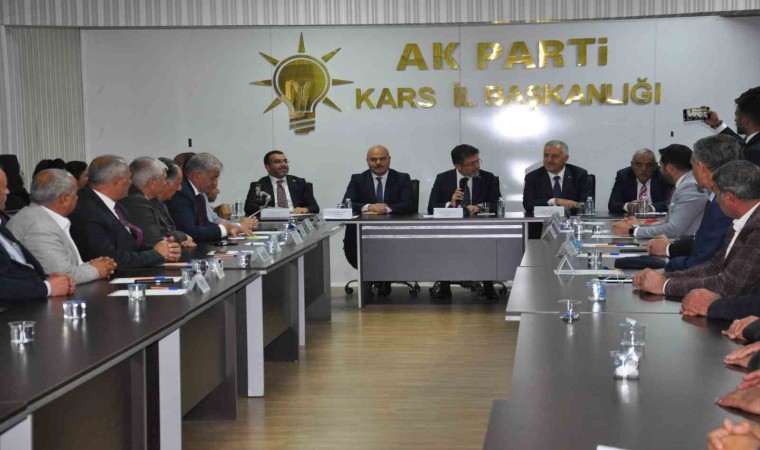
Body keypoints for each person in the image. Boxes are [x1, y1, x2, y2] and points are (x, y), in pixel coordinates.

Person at [633, 161, 760, 299]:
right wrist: (666, 277)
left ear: (729, 197)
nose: (717, 201)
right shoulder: (743, 221)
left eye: (717, 195)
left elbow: (728, 287)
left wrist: (665, 285)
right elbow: (715, 267)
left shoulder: (756, 230)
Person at [646, 135, 740, 271]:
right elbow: (703, 241)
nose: (691, 172)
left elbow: (703, 263)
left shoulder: (722, 206)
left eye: (692, 166)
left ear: (701, 167)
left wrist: (665, 270)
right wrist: (672, 245)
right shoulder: (721, 198)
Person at [69, 155, 181, 268]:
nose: (131, 183)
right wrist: (155, 255)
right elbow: (109, 259)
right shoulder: (87, 211)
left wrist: (164, 249)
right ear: (117, 182)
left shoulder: (114, 205)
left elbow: (131, 247)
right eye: (129, 178)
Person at [8, 168, 116, 284]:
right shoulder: (39, 226)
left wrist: (94, 265)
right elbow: (62, 275)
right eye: (75, 194)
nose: (77, 198)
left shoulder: (39, 216)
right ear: (65, 198)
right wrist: (96, 269)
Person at [427, 144, 502, 301]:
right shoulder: (443, 178)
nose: (477, 166)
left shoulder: (488, 178)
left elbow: (497, 204)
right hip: (450, 231)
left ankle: (488, 286)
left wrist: (479, 207)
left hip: (480, 230)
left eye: (478, 161)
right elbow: (431, 207)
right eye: (471, 163)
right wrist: (451, 204)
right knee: (443, 245)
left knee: (486, 246)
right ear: (458, 166)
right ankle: (444, 287)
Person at [341, 145, 414, 298]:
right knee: (354, 243)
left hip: (394, 232)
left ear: (389, 160)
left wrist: (386, 209)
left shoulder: (402, 178)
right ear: (367, 161)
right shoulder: (358, 179)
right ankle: (372, 276)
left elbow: (409, 204)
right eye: (373, 159)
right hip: (364, 233)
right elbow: (347, 203)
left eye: (382, 159)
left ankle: (383, 278)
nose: (378, 163)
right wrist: (369, 206)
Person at [0, 166, 74, 302]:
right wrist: (47, 287)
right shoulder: (36, 222)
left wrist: (46, 280)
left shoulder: (2, 222)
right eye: (3, 187)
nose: (8, 191)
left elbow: (20, 267)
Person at [612, 144, 707, 239]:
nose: (660, 170)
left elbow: (673, 230)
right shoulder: (685, 184)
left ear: (670, 168)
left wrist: (631, 231)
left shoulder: (690, 186)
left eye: (661, 166)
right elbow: (666, 222)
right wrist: (635, 226)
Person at [167, 153, 249, 242]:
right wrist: (223, 230)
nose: (215, 184)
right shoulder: (181, 193)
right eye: (213, 178)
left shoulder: (199, 194)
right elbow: (190, 232)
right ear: (197, 175)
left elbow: (204, 225)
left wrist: (230, 228)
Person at [119, 157, 194, 248]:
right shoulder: (136, 203)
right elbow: (154, 242)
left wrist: (176, 241)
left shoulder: (153, 201)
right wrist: (181, 236)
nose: (165, 183)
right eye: (164, 179)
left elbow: (165, 232)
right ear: (153, 182)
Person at [522, 140, 589, 213]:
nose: (549, 160)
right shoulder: (533, 177)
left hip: (571, 219)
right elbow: (528, 205)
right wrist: (555, 201)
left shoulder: (579, 175)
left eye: (554, 156)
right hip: (542, 220)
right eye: (546, 155)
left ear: (565, 158)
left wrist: (572, 207)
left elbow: (585, 204)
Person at [243, 150, 319, 215]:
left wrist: (305, 209)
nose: (284, 165)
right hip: (271, 223)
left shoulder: (299, 183)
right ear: (268, 167)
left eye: (285, 161)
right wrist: (270, 210)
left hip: (297, 221)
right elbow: (250, 208)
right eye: (278, 162)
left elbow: (314, 207)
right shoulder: (259, 186)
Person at [704, 86, 760, 166]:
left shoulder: (754, 153)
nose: (735, 119)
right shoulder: (753, 143)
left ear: (745, 119)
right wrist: (717, 124)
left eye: (737, 115)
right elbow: (740, 144)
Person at [607, 148, 673, 213]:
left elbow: (671, 202)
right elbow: (612, 204)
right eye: (639, 165)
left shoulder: (663, 176)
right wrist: (628, 206)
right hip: (631, 218)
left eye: (648, 165)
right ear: (632, 165)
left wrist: (650, 208)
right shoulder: (624, 176)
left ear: (655, 166)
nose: (644, 169)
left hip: (657, 218)